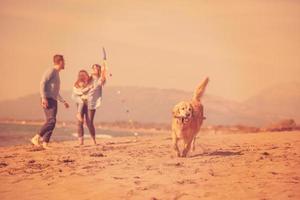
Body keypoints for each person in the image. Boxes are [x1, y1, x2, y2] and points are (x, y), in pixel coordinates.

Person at [31, 55, 69, 149]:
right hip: (48, 99)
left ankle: (45, 143)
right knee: (51, 120)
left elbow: (55, 91)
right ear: (60, 62)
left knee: (51, 121)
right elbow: (42, 82)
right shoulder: (51, 71)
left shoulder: (56, 73)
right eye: (64, 61)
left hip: (53, 99)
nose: (65, 63)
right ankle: (36, 138)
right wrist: (44, 98)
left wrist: (63, 101)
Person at [73, 62, 106, 145]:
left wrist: (103, 72)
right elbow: (79, 84)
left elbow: (101, 82)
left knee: (89, 122)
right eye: (93, 68)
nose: (93, 69)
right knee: (80, 122)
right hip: (82, 101)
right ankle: (81, 141)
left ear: (98, 70)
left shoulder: (99, 79)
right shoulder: (88, 78)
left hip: (91, 103)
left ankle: (93, 139)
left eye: (95, 68)